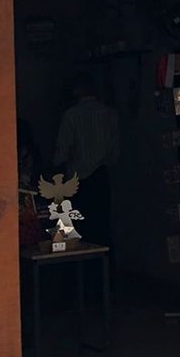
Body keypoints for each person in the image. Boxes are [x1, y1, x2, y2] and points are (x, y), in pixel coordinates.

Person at [53, 74, 119, 249]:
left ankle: (84, 262)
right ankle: (105, 261)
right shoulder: (109, 114)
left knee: (79, 228)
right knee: (102, 225)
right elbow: (114, 151)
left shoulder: (71, 116)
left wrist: (55, 168)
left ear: (76, 91)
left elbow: (62, 150)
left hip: (78, 179)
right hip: (101, 175)